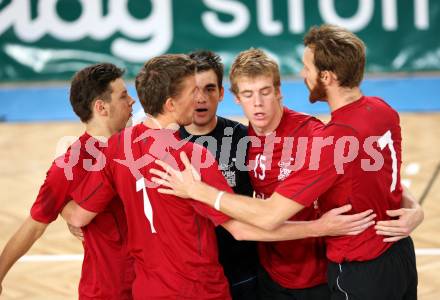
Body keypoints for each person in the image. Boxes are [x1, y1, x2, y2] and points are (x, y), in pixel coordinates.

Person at [60, 54, 376, 299]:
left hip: (148, 290)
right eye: (190, 92)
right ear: (171, 104)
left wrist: (60, 188)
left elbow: (78, 216)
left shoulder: (119, 146)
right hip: (200, 290)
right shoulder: (193, 157)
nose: (199, 99)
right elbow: (241, 229)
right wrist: (319, 227)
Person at [151, 26, 423, 300]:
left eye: (265, 92)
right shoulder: (243, 139)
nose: (257, 103)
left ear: (279, 92)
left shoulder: (318, 136)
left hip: (326, 273)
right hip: (271, 275)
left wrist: (199, 191)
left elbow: (271, 213)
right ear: (236, 98)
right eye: (248, 94)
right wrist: (411, 205)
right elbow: (377, 170)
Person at [0, 63, 136, 299]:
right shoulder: (71, 164)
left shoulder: (140, 144)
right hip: (110, 290)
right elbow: (34, 226)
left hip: (156, 283)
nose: (132, 101)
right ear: (101, 107)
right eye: (124, 95)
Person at [180, 50, 258, 299]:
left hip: (243, 269)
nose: (201, 98)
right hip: (191, 275)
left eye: (210, 89)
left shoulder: (244, 137)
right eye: (193, 89)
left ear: (221, 93)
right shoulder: (165, 141)